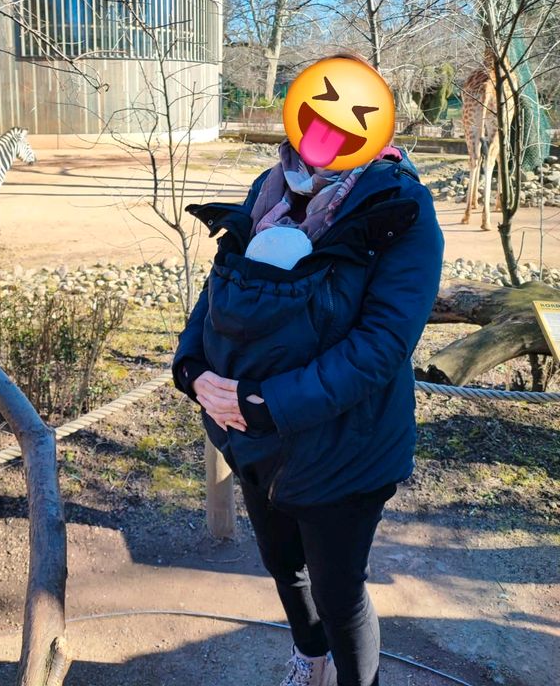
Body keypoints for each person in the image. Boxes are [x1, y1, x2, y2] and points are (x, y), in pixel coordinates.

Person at [172, 135, 444, 686]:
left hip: (347, 446)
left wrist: (268, 403)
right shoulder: (271, 187)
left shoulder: (403, 209)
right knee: (284, 566)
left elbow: (382, 344)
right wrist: (191, 364)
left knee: (339, 592)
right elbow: (221, 284)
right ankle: (310, 658)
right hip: (252, 437)